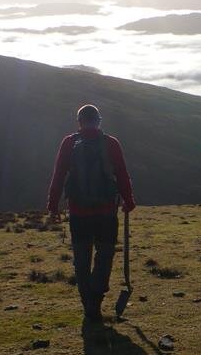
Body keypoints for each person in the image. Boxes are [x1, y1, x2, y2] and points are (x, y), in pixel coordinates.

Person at [46, 104, 136, 323]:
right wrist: (128, 199)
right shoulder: (111, 143)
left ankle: (88, 302)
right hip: (106, 211)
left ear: (79, 121)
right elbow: (122, 173)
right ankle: (95, 300)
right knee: (104, 256)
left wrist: (53, 205)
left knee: (82, 258)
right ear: (99, 120)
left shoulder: (69, 143)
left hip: (78, 211)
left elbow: (58, 174)